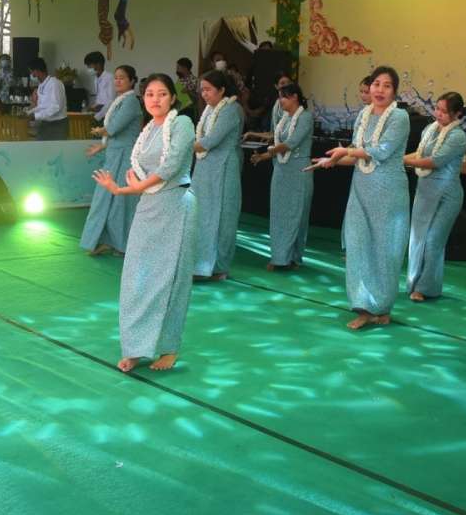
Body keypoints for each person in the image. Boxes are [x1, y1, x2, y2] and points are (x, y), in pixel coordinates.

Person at [92, 73, 197, 372]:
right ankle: (137, 347)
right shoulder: (148, 129)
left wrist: (131, 188)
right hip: (149, 207)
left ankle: (169, 347)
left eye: (162, 94)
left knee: (170, 279)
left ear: (173, 98)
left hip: (176, 205)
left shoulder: (182, 123)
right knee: (137, 277)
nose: (155, 99)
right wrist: (122, 188)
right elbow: (140, 176)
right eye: (150, 94)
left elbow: (171, 165)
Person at [311, 65, 412, 330]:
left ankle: (381, 307)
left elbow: (381, 151)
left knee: (384, 251)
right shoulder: (363, 116)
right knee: (357, 247)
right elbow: (357, 155)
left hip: (388, 193)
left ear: (394, 91)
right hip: (361, 190)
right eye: (376, 84)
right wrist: (331, 160)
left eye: (387, 86)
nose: (380, 90)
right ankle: (362, 305)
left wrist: (344, 152)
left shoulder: (399, 117)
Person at [403, 91, 466, 301]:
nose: (438, 114)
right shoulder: (429, 130)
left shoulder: (458, 136)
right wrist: (400, 157)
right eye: (437, 109)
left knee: (433, 241)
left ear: (457, 114)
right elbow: (419, 154)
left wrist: (400, 161)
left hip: (446, 195)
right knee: (418, 239)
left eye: (444, 111)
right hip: (425, 191)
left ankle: (425, 288)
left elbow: (433, 161)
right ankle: (414, 282)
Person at [249, 82, 313, 269]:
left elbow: (291, 143)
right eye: (279, 97)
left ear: (295, 97)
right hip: (281, 170)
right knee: (279, 213)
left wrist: (267, 152)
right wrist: (262, 156)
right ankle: (279, 257)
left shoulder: (306, 117)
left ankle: (293, 258)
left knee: (296, 213)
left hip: (299, 170)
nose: (280, 101)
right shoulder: (284, 119)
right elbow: (278, 142)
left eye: (283, 97)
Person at [80, 65, 142, 255]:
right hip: (115, 154)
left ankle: (121, 244)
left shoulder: (131, 102)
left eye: (122, 78)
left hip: (126, 156)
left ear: (132, 81)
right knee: (105, 198)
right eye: (116, 77)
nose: (117, 81)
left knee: (120, 202)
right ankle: (106, 240)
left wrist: (99, 131)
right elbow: (115, 132)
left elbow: (114, 128)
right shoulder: (120, 100)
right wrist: (102, 145)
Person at [190, 68, 244, 280]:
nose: (204, 94)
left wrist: (181, 146)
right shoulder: (210, 110)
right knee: (202, 216)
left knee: (222, 217)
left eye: (208, 89)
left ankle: (218, 267)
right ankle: (200, 265)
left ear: (221, 90)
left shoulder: (231, 109)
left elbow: (210, 141)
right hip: (204, 169)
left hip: (223, 168)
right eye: (202, 90)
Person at [26, 57, 68, 140]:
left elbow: (55, 107)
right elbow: (42, 106)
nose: (31, 75)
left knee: (56, 148)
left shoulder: (54, 83)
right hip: (45, 123)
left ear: (37, 71)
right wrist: (28, 113)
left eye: (31, 72)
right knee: (40, 146)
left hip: (57, 125)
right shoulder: (41, 85)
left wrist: (35, 116)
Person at [84, 51, 113, 118]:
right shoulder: (96, 79)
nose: (88, 68)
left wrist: (97, 116)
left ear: (98, 64)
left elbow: (111, 101)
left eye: (89, 65)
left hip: (108, 115)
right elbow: (99, 99)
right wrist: (92, 108)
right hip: (100, 114)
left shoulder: (109, 78)